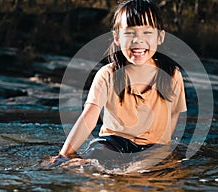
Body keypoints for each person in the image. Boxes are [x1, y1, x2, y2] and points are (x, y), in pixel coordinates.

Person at [55, 0, 187, 165]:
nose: (138, 40)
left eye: (147, 32)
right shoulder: (107, 75)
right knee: (94, 156)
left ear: (160, 37)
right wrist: (64, 154)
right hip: (113, 142)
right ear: (117, 37)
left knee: (166, 166)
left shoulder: (172, 74)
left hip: (153, 146)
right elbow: (89, 116)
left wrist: (164, 146)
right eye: (129, 33)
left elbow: (174, 114)